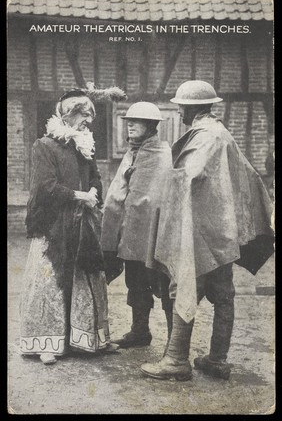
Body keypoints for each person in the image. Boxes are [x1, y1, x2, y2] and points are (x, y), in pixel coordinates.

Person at [140, 80, 274, 380]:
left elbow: (190, 174)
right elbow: (248, 175)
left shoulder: (206, 136)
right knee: (223, 292)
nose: (179, 112)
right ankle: (217, 358)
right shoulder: (222, 133)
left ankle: (176, 360)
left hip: (200, 231)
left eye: (181, 107)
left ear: (192, 107)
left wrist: (164, 181)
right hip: (222, 231)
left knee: (183, 287)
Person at [20, 85, 126, 364]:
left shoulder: (84, 146)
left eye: (91, 116)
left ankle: (89, 339)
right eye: (85, 115)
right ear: (67, 115)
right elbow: (45, 187)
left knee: (86, 278)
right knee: (53, 280)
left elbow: (95, 179)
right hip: (53, 225)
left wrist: (93, 192)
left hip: (82, 222)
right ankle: (49, 343)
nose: (89, 121)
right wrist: (79, 196)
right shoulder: (44, 146)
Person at [101, 102, 173, 349]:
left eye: (137, 121)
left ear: (151, 126)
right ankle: (140, 331)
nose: (130, 125)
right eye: (128, 120)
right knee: (135, 282)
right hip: (132, 233)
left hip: (154, 233)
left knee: (163, 283)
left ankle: (175, 343)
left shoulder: (161, 154)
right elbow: (119, 193)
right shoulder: (133, 152)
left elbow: (157, 196)